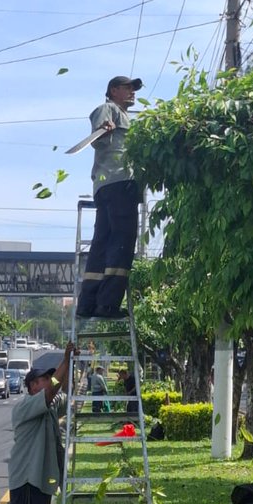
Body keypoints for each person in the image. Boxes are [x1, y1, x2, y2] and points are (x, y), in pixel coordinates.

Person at [7, 341, 75, 504]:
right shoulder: (27, 406)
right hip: (26, 478)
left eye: (50, 378)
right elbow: (52, 392)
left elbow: (62, 392)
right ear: (33, 385)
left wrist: (70, 367)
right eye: (44, 379)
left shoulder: (46, 408)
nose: (49, 382)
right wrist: (65, 361)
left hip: (40, 478)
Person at [76, 75, 143, 320]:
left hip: (106, 186)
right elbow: (99, 137)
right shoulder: (108, 109)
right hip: (119, 182)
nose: (132, 92)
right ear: (113, 90)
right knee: (123, 242)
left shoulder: (129, 118)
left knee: (102, 243)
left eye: (133, 89)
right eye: (127, 88)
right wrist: (105, 130)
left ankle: (87, 304)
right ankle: (108, 304)